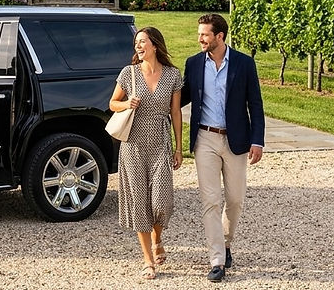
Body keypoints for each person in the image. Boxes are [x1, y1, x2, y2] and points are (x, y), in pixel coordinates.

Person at [180, 14, 265, 282]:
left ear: (220, 36)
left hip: (236, 140)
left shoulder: (244, 63)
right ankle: (217, 260)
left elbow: (256, 104)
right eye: (199, 34)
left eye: (205, 34)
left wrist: (257, 139)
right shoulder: (193, 64)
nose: (200, 39)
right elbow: (181, 98)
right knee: (210, 201)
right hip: (205, 138)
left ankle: (226, 242)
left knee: (235, 200)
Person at [108, 27, 184, 280]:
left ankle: (158, 238)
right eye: (136, 43)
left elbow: (176, 112)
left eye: (142, 42)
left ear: (155, 45)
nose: (138, 47)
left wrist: (179, 147)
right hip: (133, 145)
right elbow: (112, 104)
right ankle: (147, 259)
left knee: (162, 202)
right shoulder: (128, 74)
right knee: (139, 203)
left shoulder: (173, 75)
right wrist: (126, 103)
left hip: (160, 143)